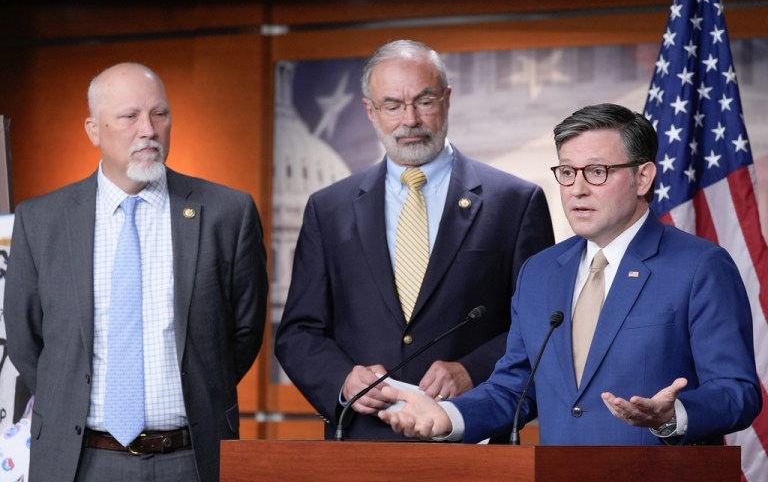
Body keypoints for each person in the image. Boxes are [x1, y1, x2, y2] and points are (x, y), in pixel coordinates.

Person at [379, 103, 761, 445]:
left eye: (597, 172)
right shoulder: (540, 272)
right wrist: (448, 416)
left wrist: (672, 415)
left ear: (643, 178)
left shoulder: (700, 267)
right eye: (566, 172)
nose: (576, 189)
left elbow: (738, 391)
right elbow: (515, 389)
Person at [274, 40, 554, 440]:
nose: (411, 119)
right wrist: (342, 380)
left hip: (470, 435)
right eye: (392, 105)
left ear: (447, 99)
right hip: (363, 443)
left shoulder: (515, 202)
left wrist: (472, 369)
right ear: (370, 111)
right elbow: (299, 332)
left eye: (424, 101)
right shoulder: (328, 208)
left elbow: (542, 324)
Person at [4, 62, 268, 481]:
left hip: (191, 458)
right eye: (129, 116)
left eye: (159, 114)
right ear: (93, 130)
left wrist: (199, 385)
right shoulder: (41, 221)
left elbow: (244, 331)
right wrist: (67, 392)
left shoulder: (227, 213)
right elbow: (24, 337)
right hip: (79, 460)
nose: (148, 129)